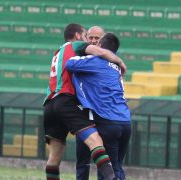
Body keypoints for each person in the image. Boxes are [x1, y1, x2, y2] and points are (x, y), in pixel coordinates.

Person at [43, 23, 126, 180]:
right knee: (96, 142)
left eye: (95, 38)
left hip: (49, 104)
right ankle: (111, 178)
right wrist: (120, 62)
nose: (90, 41)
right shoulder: (76, 46)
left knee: (54, 159)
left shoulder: (58, 52)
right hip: (66, 101)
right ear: (78, 36)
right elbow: (99, 51)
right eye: (87, 36)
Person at [66, 33, 131, 180]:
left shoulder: (95, 61)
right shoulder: (116, 68)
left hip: (108, 122)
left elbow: (69, 63)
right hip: (126, 122)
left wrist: (86, 49)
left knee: (107, 171)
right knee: (118, 168)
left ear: (100, 47)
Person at [74, 25, 107, 180]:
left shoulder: (109, 60)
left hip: (103, 116)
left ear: (103, 41)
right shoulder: (79, 58)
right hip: (83, 116)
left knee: (103, 160)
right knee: (82, 160)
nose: (93, 41)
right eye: (91, 37)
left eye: (97, 38)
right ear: (85, 38)